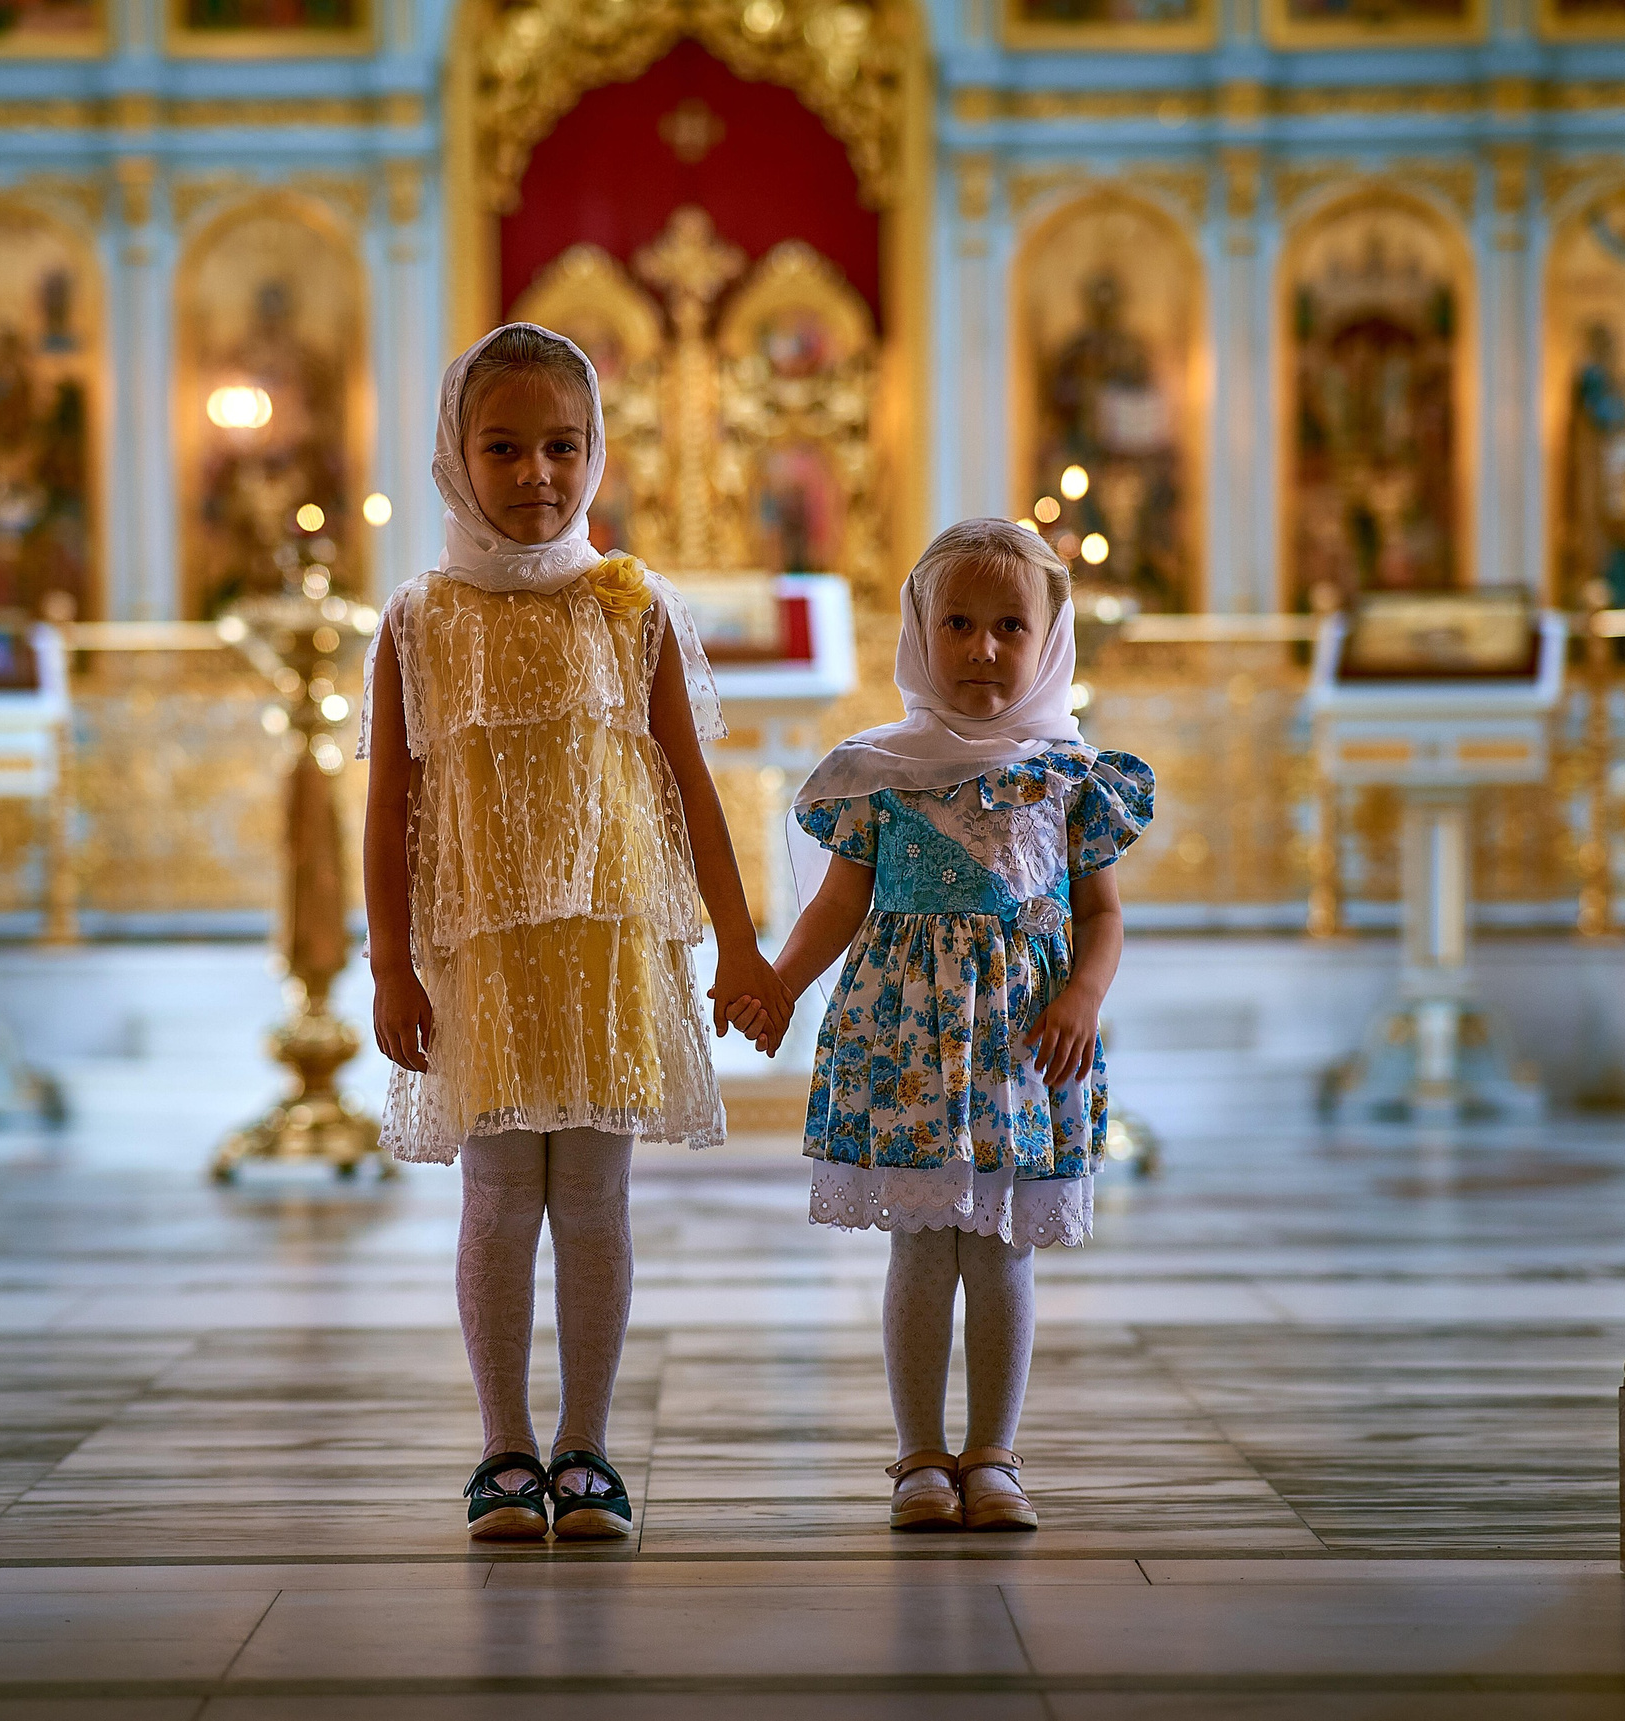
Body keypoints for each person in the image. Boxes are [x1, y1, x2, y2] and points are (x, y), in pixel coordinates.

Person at [359, 323, 788, 1541]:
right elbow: (390, 805)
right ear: (455, 455)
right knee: (498, 1195)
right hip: (481, 951)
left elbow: (687, 788)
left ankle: (587, 1445)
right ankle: (503, 1445)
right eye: (503, 446)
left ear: (597, 451)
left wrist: (743, 947)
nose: (536, 473)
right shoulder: (418, 616)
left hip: (611, 944)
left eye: (562, 444)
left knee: (594, 1201)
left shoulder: (628, 603)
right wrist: (390, 962)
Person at [735, 517, 1152, 1533]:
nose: (982, 648)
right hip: (907, 1040)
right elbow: (837, 905)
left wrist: (1082, 998)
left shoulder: (1068, 775)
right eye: (957, 623)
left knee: (1002, 1246)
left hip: (1022, 1044)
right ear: (919, 632)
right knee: (923, 1246)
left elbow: (1100, 915)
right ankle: (921, 1454)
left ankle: (995, 1454)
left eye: (1011, 626)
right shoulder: (880, 770)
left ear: (1047, 638)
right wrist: (779, 982)